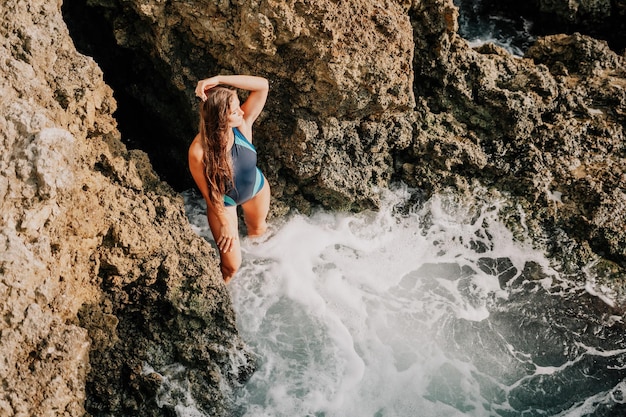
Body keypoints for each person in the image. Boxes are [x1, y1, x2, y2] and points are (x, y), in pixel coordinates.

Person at [188, 74, 271, 283]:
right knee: (231, 266)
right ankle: (225, 296)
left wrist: (219, 79)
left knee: (258, 232)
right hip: (224, 203)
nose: (242, 111)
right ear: (221, 118)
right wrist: (225, 223)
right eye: (235, 111)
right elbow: (209, 195)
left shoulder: (242, 126)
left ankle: (261, 282)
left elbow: (262, 86)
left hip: (256, 188)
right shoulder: (199, 151)